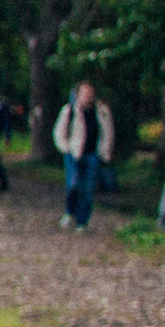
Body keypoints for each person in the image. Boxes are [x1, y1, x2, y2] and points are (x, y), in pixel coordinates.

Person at [54, 80, 114, 230]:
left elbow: (108, 132)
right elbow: (59, 131)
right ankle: (69, 212)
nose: (87, 98)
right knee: (73, 185)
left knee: (88, 189)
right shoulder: (69, 111)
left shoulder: (102, 112)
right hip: (74, 154)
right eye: (85, 94)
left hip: (93, 154)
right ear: (78, 95)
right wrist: (65, 147)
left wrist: (105, 152)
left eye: (90, 95)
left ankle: (82, 222)